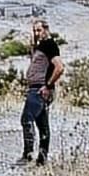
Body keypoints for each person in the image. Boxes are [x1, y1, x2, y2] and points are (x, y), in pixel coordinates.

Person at [19, 19, 63, 165]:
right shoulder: (41, 46)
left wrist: (48, 86)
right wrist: (33, 44)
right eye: (34, 31)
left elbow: (59, 67)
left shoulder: (50, 45)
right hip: (36, 87)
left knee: (27, 119)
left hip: (39, 89)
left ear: (46, 29)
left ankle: (28, 155)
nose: (37, 33)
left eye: (39, 30)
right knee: (42, 123)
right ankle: (42, 158)